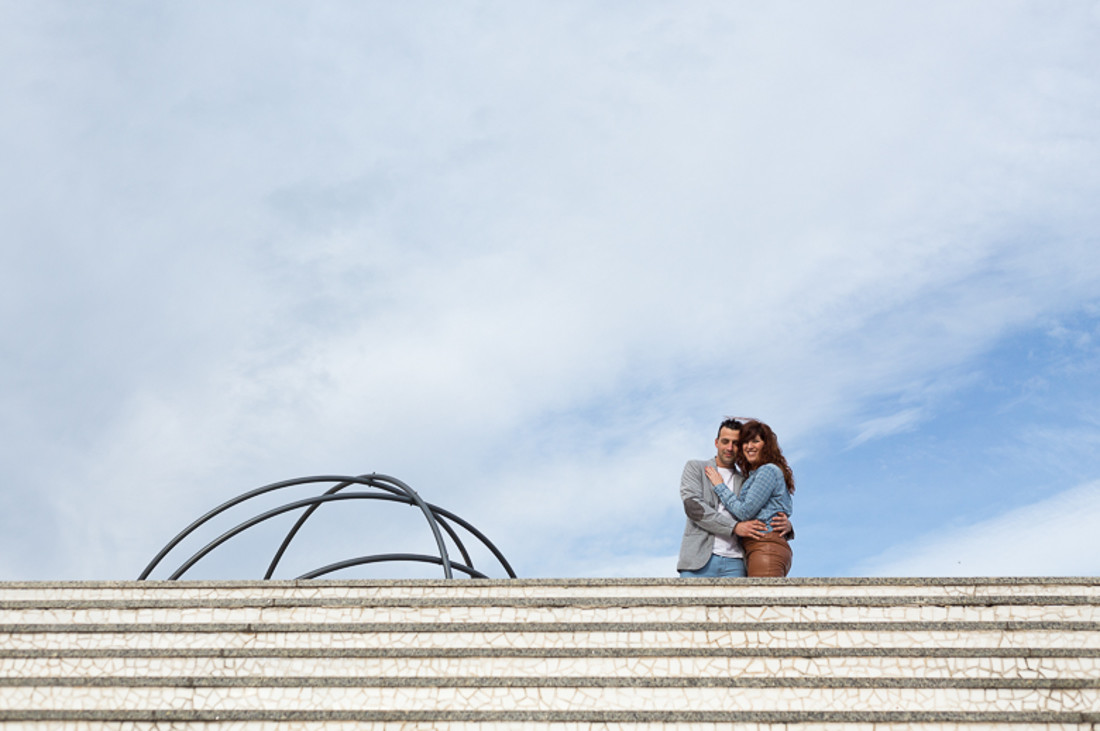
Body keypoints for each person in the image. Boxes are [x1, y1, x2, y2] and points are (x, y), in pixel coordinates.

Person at [678, 418, 791, 577]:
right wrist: (734, 527)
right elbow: (693, 508)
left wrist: (788, 525)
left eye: (736, 443)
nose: (730, 448)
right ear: (717, 443)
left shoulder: (747, 480)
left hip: (737, 563)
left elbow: (765, 507)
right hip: (698, 561)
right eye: (725, 441)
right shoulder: (696, 468)